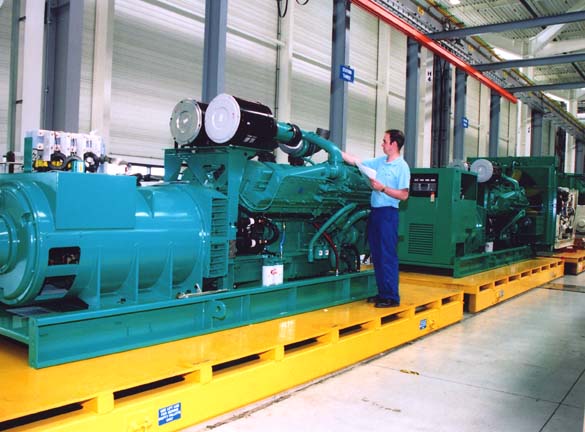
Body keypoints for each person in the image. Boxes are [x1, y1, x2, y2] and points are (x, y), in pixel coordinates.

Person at [342, 129, 410, 308]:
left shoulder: (402, 167)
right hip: (376, 212)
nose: (382, 144)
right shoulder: (380, 162)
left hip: (388, 214)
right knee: (377, 254)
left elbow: (404, 195)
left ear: (394, 144)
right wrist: (335, 150)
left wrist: (383, 188)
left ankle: (392, 297)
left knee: (387, 255)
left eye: (385, 141)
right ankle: (382, 293)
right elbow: (357, 161)